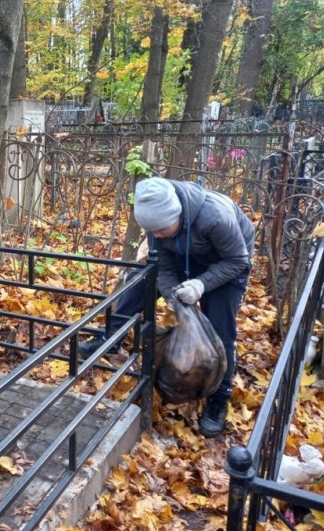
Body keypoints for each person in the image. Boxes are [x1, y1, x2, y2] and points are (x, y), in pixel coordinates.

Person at [81, 177, 254, 437]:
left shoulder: (215, 217)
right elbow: (164, 265)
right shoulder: (157, 228)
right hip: (185, 257)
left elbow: (237, 260)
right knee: (138, 284)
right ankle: (111, 337)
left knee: (220, 328)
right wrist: (174, 298)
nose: (157, 235)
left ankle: (219, 396)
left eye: (161, 229)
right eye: (153, 232)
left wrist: (201, 285)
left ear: (178, 214)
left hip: (228, 264)